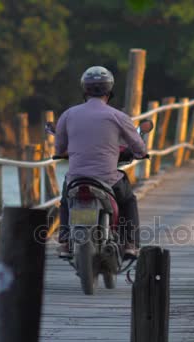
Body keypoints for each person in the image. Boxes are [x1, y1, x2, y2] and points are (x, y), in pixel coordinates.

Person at [54, 66, 147, 259]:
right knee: (129, 200)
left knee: (65, 200)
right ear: (109, 91)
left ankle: (64, 241)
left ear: (84, 90)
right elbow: (139, 147)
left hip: (76, 179)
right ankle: (130, 243)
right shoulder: (118, 116)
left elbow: (59, 148)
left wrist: (65, 152)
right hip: (108, 179)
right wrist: (140, 153)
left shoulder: (68, 115)